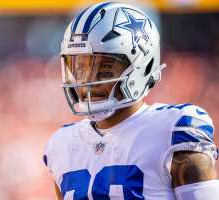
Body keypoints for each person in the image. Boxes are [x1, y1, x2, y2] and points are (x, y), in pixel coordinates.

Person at [43, 2, 219, 200]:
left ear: (141, 65)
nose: (87, 81)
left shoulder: (173, 131)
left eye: (104, 67)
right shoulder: (63, 144)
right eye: (79, 67)